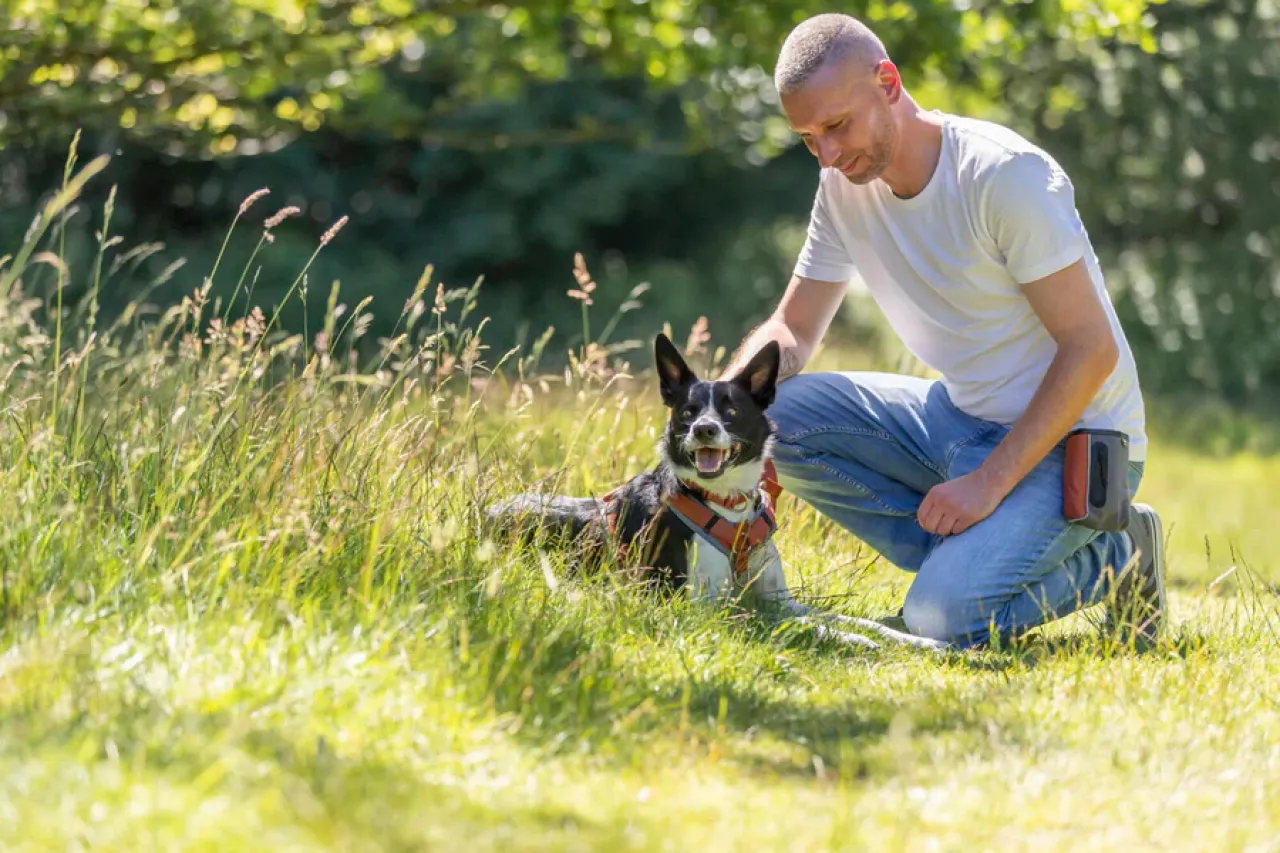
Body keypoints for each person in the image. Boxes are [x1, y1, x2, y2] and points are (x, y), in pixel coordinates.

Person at [723, 13, 1166, 649]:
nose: (825, 153)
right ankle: (972, 560)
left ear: (889, 82)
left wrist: (988, 486)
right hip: (957, 419)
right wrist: (727, 402)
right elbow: (794, 326)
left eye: (836, 126)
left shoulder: (1003, 177)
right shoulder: (842, 186)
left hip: (1077, 443)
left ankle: (1118, 551)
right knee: (775, 416)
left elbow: (1091, 349)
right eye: (807, 137)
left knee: (940, 623)